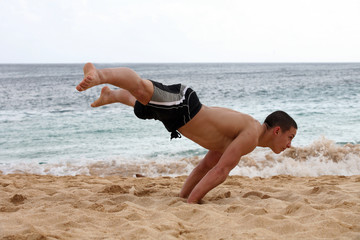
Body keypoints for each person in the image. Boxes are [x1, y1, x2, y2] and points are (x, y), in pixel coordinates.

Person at [76, 63, 298, 203]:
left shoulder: (244, 133)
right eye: (290, 137)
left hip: (180, 118)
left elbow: (205, 166)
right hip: (185, 107)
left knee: (143, 104)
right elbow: (220, 171)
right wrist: (193, 202)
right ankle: (99, 74)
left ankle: (111, 95)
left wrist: (184, 197)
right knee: (141, 88)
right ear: (277, 130)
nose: (289, 145)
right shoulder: (250, 135)